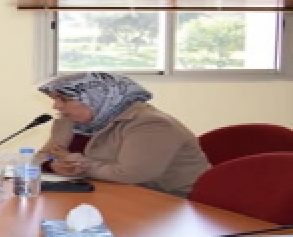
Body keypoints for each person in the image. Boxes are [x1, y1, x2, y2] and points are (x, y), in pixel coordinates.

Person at [38, 72, 208, 197]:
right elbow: (42, 157)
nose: (56, 106)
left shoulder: (151, 125)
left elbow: (129, 175)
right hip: (105, 193)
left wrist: (75, 161)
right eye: (55, 99)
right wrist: (53, 165)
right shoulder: (70, 121)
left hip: (171, 202)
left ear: (97, 97)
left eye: (64, 99)